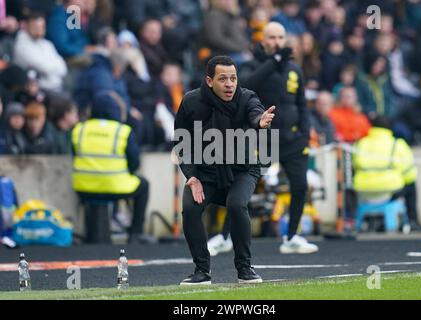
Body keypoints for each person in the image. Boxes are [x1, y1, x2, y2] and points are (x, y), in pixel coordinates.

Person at [174, 56, 274, 285]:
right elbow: (181, 144)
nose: (230, 84)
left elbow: (255, 113)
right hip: (205, 174)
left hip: (242, 171)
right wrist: (192, 176)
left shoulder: (247, 97)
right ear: (209, 81)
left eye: (233, 78)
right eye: (223, 79)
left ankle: (245, 268)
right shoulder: (191, 102)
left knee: (236, 204)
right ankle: (201, 271)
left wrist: (260, 122)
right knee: (190, 209)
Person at [239, 22, 318, 254]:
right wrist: (273, 62)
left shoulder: (294, 69)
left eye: (280, 37)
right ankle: (225, 236)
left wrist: (304, 133)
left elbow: (301, 103)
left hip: (292, 140)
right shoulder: (252, 64)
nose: (276, 42)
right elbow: (246, 86)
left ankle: (291, 236)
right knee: (244, 187)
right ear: (263, 40)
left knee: (300, 187)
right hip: (263, 138)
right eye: (271, 37)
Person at [71, 91, 150, 244]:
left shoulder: (79, 130)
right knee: (144, 185)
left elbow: (75, 156)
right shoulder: (122, 131)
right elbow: (134, 162)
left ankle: (88, 234)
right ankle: (135, 234)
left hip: (84, 189)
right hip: (115, 188)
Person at [353, 116, 420, 230]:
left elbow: (354, 166)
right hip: (389, 189)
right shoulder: (397, 144)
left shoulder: (361, 143)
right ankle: (413, 220)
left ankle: (367, 221)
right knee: (411, 185)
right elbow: (410, 173)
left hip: (363, 189)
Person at [13, 12, 68, 93]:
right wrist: (53, 65)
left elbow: (63, 69)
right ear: (27, 26)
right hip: (36, 91)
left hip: (56, 87)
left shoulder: (47, 44)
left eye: (42, 27)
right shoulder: (21, 45)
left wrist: (51, 67)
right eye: (35, 27)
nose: (39, 30)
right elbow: (45, 67)